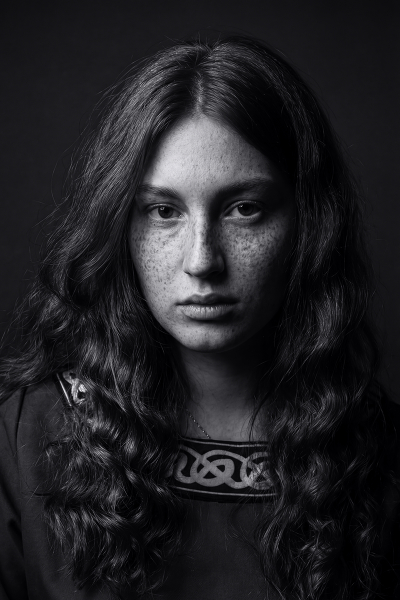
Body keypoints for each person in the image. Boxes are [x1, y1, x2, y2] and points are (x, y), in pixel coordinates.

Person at [0, 35, 399, 600]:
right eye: (164, 212)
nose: (202, 261)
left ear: (309, 224)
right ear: (120, 226)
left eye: (244, 209)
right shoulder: (26, 439)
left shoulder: (381, 459)